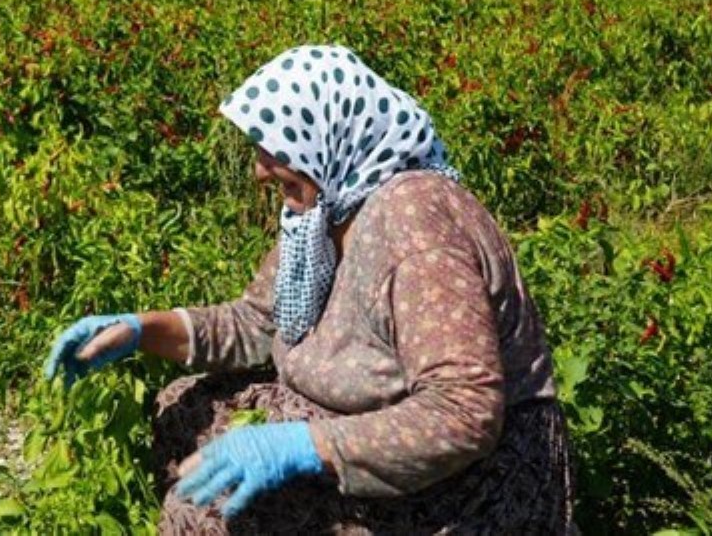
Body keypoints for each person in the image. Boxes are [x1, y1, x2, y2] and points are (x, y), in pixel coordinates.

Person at [44, 45, 574, 533]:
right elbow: (255, 323)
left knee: (213, 511)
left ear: (328, 133)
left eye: (274, 148)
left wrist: (303, 446)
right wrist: (138, 331)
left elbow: (463, 413)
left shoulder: (415, 227)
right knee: (187, 407)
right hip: (366, 414)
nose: (259, 170)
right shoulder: (331, 207)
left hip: (471, 481)